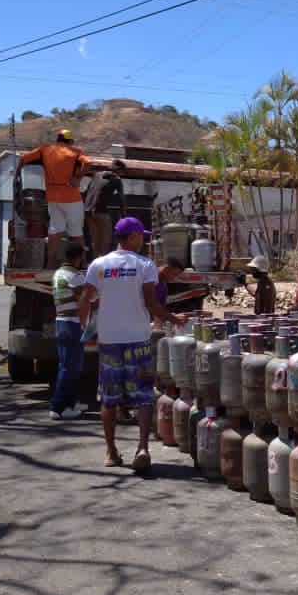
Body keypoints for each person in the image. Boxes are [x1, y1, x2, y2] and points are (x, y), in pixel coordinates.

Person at [78, 217, 187, 471]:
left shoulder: (99, 264)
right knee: (144, 396)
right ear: (133, 236)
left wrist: (86, 328)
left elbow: (85, 299)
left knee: (108, 398)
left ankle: (111, 452)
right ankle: (142, 448)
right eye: (142, 236)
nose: (144, 240)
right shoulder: (145, 265)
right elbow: (150, 303)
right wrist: (173, 318)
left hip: (110, 340)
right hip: (137, 338)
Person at [17, 129, 90, 267]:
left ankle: (50, 263)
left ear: (58, 139)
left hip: (53, 198)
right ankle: (84, 263)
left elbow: (23, 159)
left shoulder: (45, 150)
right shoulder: (75, 152)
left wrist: (16, 174)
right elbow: (87, 162)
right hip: (72, 198)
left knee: (55, 231)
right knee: (76, 232)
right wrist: (77, 177)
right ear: (70, 141)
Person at [50, 242, 89, 421]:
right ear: (78, 257)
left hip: (62, 322)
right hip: (71, 324)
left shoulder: (58, 273)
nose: (83, 260)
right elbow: (85, 301)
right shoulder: (76, 276)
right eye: (82, 256)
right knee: (68, 367)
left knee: (71, 366)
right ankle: (59, 407)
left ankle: (71, 402)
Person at [84, 158, 127, 258]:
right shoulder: (116, 179)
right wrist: (123, 216)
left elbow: (86, 192)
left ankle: (94, 264)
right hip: (101, 211)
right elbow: (121, 199)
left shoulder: (96, 175)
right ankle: (104, 264)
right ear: (119, 170)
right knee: (105, 239)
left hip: (88, 212)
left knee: (95, 240)